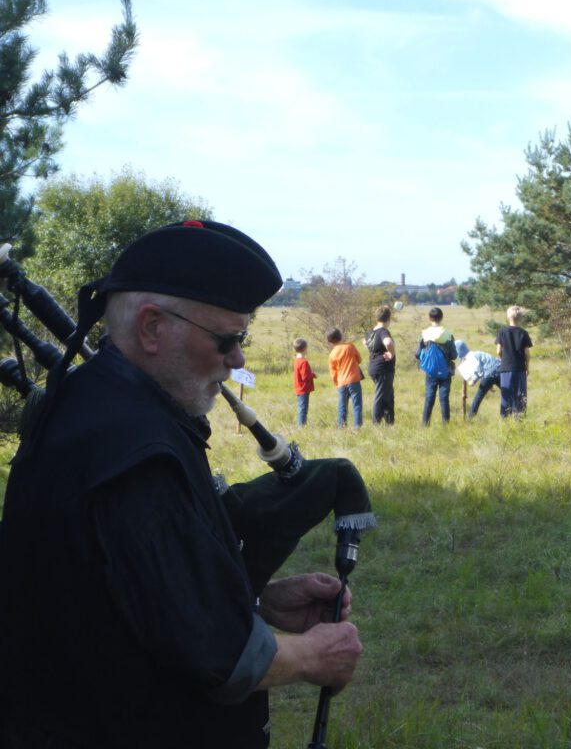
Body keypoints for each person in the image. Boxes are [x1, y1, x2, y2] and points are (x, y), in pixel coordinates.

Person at [0, 221, 364, 748]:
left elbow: (116, 592)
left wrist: (255, 601)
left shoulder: (90, 403)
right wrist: (314, 655)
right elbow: (222, 659)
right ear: (152, 328)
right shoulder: (137, 452)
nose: (237, 359)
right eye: (227, 339)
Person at [416, 306, 456, 425]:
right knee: (444, 398)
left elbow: (417, 354)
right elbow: (454, 355)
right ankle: (446, 425)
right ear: (441, 318)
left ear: (430, 318)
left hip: (430, 371)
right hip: (446, 371)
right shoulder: (448, 334)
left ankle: (425, 424)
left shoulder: (425, 334)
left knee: (429, 398)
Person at [495, 305, 532, 418]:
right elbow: (527, 354)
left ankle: (504, 419)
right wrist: (527, 367)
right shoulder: (523, 333)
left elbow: (498, 351)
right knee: (520, 395)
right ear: (521, 318)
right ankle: (519, 420)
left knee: (506, 394)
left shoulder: (502, 332)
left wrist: (504, 359)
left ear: (508, 317)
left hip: (505, 368)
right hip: (520, 368)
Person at [364, 305, 396, 425]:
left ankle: (389, 421)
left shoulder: (371, 332)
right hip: (383, 369)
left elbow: (365, 342)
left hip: (373, 366)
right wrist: (391, 353)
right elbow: (388, 342)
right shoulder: (383, 331)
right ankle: (376, 423)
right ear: (388, 319)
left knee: (388, 395)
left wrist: (374, 352)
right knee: (380, 395)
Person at [454, 339, 501, 418]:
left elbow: (479, 370)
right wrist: (489, 384)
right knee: (507, 392)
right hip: (499, 368)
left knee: (479, 396)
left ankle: (470, 417)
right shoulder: (474, 353)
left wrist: (473, 380)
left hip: (491, 372)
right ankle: (514, 411)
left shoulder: (469, 357)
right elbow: (484, 367)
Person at [327, 327, 363, 429]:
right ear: (341, 336)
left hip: (341, 383)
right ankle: (357, 428)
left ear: (329, 341)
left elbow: (333, 372)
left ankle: (341, 427)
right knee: (357, 405)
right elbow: (359, 359)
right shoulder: (350, 346)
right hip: (354, 380)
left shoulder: (332, 354)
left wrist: (337, 384)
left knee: (342, 406)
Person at [292, 337, 315, 427]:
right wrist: (312, 375)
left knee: (302, 407)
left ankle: (302, 425)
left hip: (298, 387)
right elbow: (305, 377)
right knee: (303, 408)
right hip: (303, 389)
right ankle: (301, 426)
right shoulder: (303, 362)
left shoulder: (296, 361)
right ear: (305, 349)